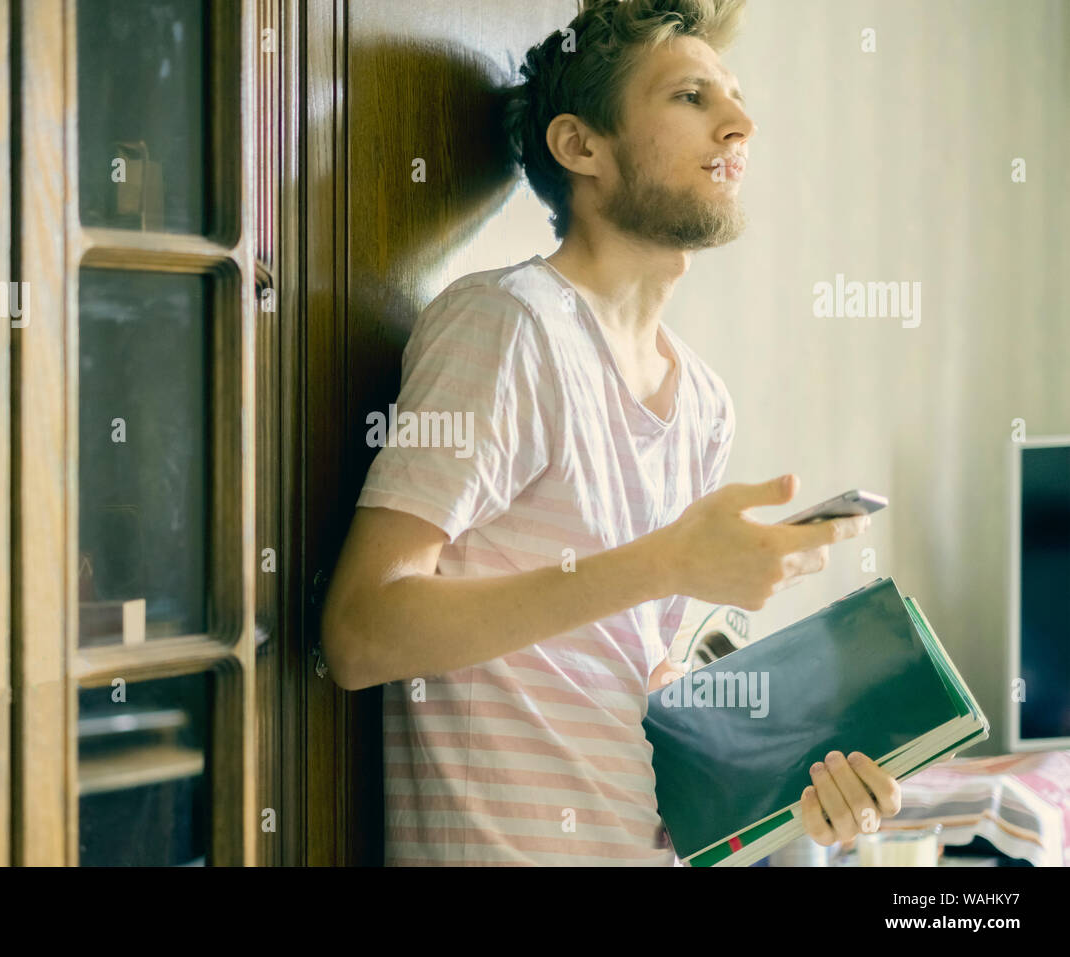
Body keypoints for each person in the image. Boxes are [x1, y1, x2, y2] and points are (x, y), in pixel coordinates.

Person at [321, 0, 901, 865]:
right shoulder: (508, 326)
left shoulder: (701, 401)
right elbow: (360, 634)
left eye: (734, 98)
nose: (741, 123)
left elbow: (632, 686)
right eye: (693, 97)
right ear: (580, 146)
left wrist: (794, 780)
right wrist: (668, 559)